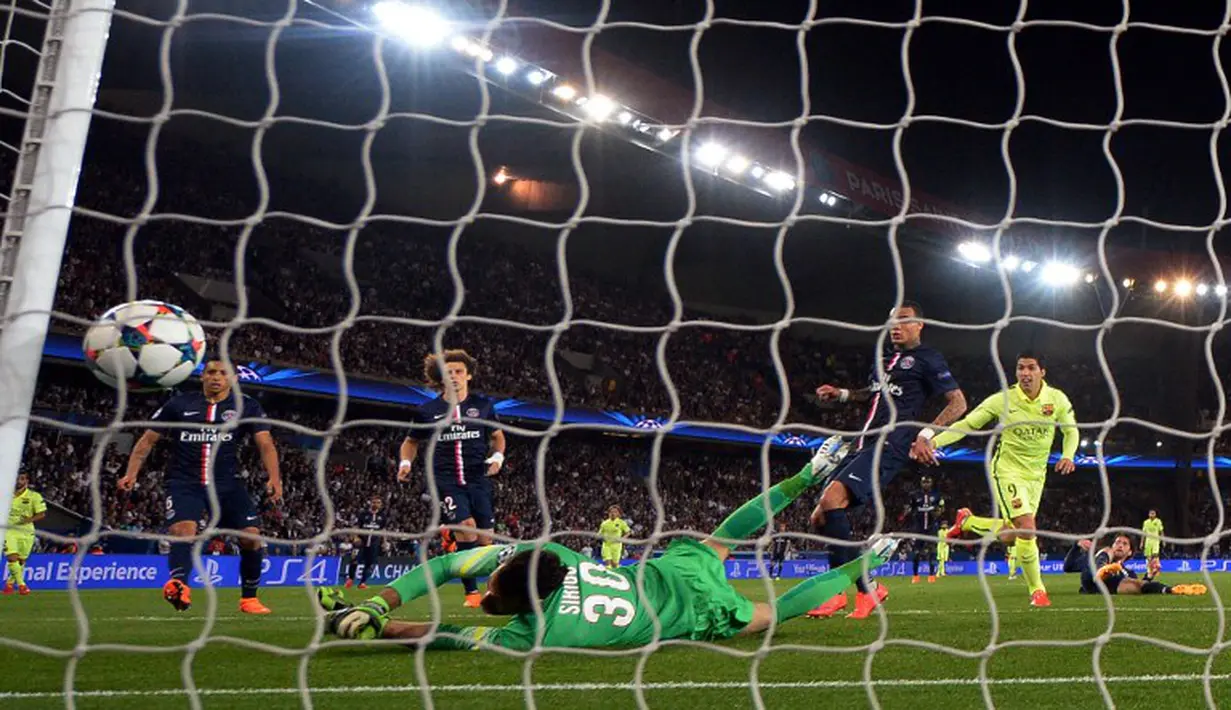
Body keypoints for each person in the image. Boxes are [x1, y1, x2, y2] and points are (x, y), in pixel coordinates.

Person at [316, 439, 902, 650]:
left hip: (691, 610)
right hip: (666, 573)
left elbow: (436, 631)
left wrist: (379, 618)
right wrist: (376, 610)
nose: (487, 583)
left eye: (492, 584)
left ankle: (872, 556)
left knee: (775, 613)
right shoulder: (559, 557)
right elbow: (451, 573)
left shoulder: (530, 634)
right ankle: (806, 478)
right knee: (724, 536)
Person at [808, 302, 967, 619]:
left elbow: (958, 403)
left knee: (831, 499)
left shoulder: (928, 359)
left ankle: (836, 592)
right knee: (819, 519)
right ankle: (870, 589)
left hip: (890, 445)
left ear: (919, 324)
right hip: (862, 444)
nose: (896, 326)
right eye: (892, 321)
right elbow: (871, 393)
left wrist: (925, 435)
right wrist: (840, 394)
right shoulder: (882, 359)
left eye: (904, 321)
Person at [119, 358, 283, 614]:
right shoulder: (180, 403)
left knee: (251, 537)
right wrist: (131, 474)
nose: (216, 377)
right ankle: (179, 586)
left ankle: (249, 599)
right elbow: (147, 441)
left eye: (222, 373)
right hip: (185, 482)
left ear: (234, 379)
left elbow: (265, 444)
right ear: (202, 376)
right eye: (211, 372)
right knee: (184, 531)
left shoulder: (247, 406)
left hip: (227, 484)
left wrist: (275, 478)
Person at [920, 352, 1075, 608]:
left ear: (1042, 372)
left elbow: (1071, 431)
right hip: (1007, 470)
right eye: (1020, 368)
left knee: (1011, 535)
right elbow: (968, 424)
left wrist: (1068, 456)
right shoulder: (1003, 400)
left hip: (1037, 475)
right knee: (1027, 526)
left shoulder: (1056, 399)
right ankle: (1038, 591)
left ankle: (968, 521)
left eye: (1031, 368)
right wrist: (933, 441)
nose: (1025, 373)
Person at [399, 350, 505, 608]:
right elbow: (411, 442)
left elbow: (498, 437)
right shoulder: (427, 411)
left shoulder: (483, 406)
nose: (454, 376)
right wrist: (405, 463)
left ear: (468, 375)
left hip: (478, 478)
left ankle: (458, 546)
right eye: (449, 373)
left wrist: (497, 458)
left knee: (485, 540)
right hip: (445, 479)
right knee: (466, 526)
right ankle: (472, 594)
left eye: (459, 371)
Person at [1062, 536, 1204, 596]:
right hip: (1091, 579)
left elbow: (1140, 586)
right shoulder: (1094, 557)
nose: (1120, 545)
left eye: (1124, 544)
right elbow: (1067, 567)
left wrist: (1149, 575)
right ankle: (1102, 570)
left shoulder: (1127, 573)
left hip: (1107, 586)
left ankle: (1173, 590)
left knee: (1135, 583)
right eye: (1117, 542)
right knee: (1105, 553)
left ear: (1129, 552)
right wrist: (1076, 546)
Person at [3, 473, 46, 596]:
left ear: (26, 480)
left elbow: (42, 513)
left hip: (26, 532)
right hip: (9, 531)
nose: (18, 481)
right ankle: (22, 585)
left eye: (22, 479)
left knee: (21, 561)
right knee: (12, 557)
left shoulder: (34, 496)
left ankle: (9, 585)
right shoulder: (5, 494)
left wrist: (28, 520)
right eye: (17, 478)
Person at [902, 476, 944, 583]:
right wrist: (907, 512)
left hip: (932, 527)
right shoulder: (914, 495)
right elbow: (908, 508)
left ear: (931, 483)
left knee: (932, 551)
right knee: (916, 552)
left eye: (928, 482)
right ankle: (915, 576)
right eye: (924, 482)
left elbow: (942, 508)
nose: (926, 484)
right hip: (918, 528)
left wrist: (937, 513)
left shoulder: (937, 495)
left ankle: (931, 575)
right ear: (921, 483)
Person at [347, 496, 387, 589]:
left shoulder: (382, 516)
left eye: (378, 502)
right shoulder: (363, 514)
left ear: (380, 505)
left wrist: (384, 542)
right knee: (355, 559)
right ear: (370, 503)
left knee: (370, 563)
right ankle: (350, 579)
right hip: (362, 541)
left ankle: (362, 583)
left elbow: (383, 530)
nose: (376, 504)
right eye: (374, 502)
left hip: (374, 542)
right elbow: (356, 526)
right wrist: (356, 537)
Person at [1141, 510, 1164, 576]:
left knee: (1155, 554)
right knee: (1148, 557)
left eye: (1153, 513)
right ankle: (1149, 570)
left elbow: (1161, 531)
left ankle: (1156, 568)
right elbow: (1143, 533)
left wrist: (1163, 540)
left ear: (1155, 514)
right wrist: (1142, 542)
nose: (1152, 515)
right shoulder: (1146, 522)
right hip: (1148, 541)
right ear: (1148, 514)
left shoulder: (1158, 521)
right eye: (1151, 513)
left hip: (1155, 540)